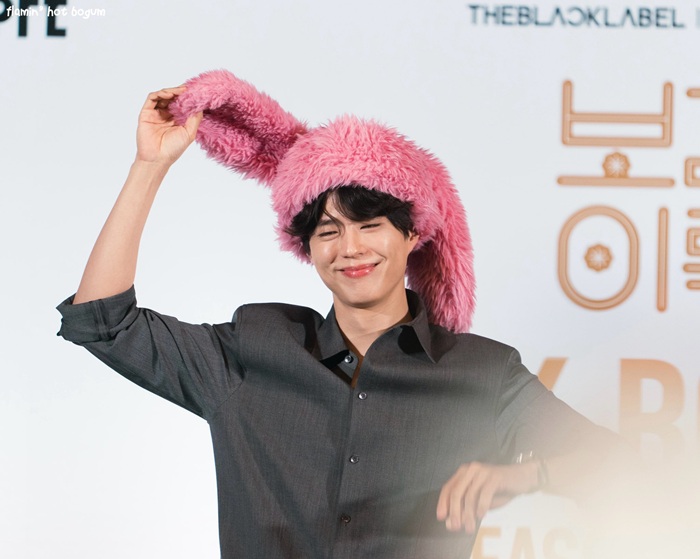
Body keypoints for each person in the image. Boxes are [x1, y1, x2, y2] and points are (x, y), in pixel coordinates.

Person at [57, 71, 621, 559]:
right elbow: (105, 322)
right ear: (306, 247)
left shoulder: (483, 374)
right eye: (328, 231)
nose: (350, 249)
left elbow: (619, 467)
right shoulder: (254, 350)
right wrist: (149, 165)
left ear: (413, 234)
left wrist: (527, 474)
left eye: (370, 225)